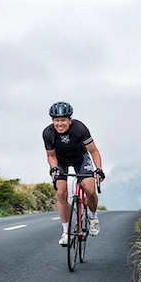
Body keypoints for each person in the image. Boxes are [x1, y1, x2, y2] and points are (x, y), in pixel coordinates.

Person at [42, 101, 105, 246]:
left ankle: (93, 216)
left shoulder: (80, 129)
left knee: (90, 190)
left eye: (63, 120)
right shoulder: (48, 133)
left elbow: (93, 151)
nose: (60, 124)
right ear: (53, 121)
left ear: (70, 120)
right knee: (61, 193)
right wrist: (54, 167)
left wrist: (99, 168)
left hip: (80, 159)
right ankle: (66, 232)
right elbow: (51, 155)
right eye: (56, 120)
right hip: (61, 161)